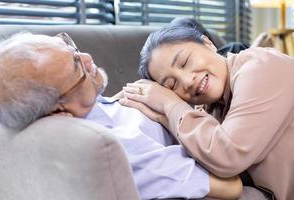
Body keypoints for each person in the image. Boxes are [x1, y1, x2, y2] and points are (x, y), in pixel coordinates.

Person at [0, 32, 243, 200]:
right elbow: (232, 187)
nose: (88, 58)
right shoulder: (121, 151)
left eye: (69, 46)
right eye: (76, 66)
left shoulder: (80, 109)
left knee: (232, 50)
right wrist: (170, 108)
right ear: (60, 110)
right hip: (216, 118)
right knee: (242, 57)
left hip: (192, 94)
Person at [120, 25, 294, 200]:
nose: (188, 81)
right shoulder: (209, 109)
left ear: (208, 43)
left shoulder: (262, 67)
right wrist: (162, 115)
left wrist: (169, 104)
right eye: (172, 85)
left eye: (185, 62)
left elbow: (228, 156)